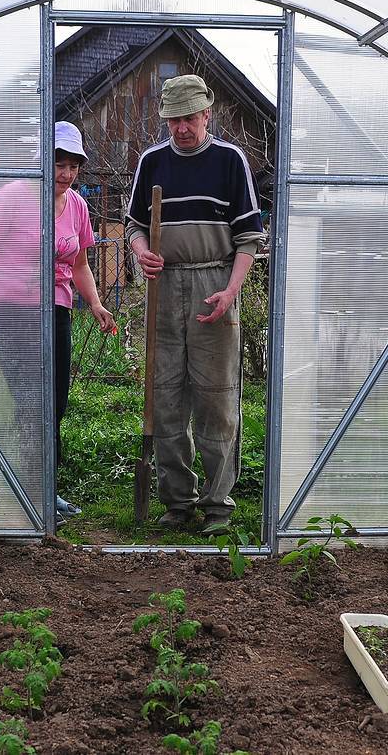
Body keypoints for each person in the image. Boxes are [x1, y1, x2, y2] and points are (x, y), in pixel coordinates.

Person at [0, 121, 114, 521]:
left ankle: (45, 489)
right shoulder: (11, 198)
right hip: (10, 311)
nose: (66, 173)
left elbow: (80, 264)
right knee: (29, 399)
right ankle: (29, 492)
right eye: (59, 163)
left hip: (55, 309)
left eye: (73, 166)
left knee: (54, 401)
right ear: (43, 159)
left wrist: (95, 303)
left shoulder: (76, 205)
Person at [126, 74, 266, 534]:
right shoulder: (152, 162)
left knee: (216, 397)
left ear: (207, 115)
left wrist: (231, 292)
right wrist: (141, 251)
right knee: (164, 395)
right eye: (173, 120)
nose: (181, 128)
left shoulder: (230, 161)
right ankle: (176, 501)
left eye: (189, 118)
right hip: (163, 286)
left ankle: (217, 504)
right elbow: (133, 225)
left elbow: (249, 238)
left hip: (214, 283)